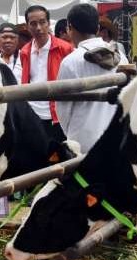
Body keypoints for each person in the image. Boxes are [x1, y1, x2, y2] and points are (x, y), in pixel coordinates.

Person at [56, 3, 128, 153]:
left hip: (83, 140)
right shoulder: (120, 57)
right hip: (116, 136)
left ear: (70, 28)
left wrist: (71, 134)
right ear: (97, 28)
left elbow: (63, 109)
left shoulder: (70, 62)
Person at [20, 5, 73, 142]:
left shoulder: (64, 48)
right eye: (33, 24)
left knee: (61, 157)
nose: (38, 28)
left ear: (48, 23)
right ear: (27, 26)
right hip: (32, 113)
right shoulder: (25, 51)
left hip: (57, 115)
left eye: (42, 22)